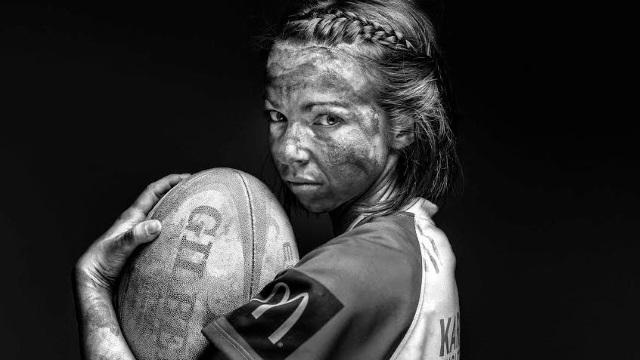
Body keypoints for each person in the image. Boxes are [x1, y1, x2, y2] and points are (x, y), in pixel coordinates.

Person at [73, 0, 462, 359]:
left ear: (404, 125)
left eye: (327, 119)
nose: (289, 150)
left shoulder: (346, 273)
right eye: (278, 117)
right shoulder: (425, 241)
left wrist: (93, 284)